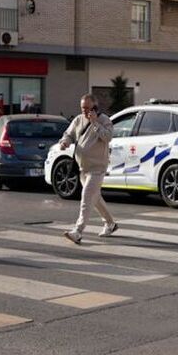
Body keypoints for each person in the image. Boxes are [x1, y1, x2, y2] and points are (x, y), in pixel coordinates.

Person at [60, 94, 118, 244]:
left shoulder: (104, 120)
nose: (85, 111)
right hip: (83, 168)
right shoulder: (78, 120)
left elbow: (108, 137)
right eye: (82, 108)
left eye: (87, 108)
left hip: (97, 168)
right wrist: (65, 142)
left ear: (95, 107)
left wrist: (94, 123)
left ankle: (78, 231)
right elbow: (69, 134)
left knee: (86, 196)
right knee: (96, 199)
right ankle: (110, 224)